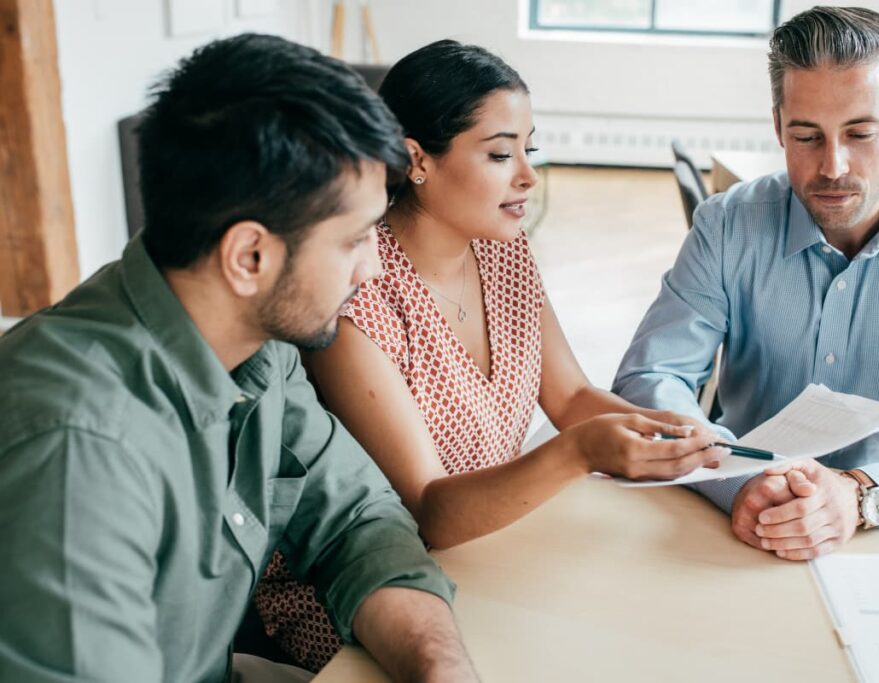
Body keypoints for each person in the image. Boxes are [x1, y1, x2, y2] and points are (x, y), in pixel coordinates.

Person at [0, 33, 478, 682]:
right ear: (249, 256)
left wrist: (438, 666)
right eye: (355, 239)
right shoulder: (78, 450)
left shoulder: (259, 345)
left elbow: (356, 516)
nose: (373, 267)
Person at [253, 39, 728, 670]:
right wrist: (583, 450)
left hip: (494, 550)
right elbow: (432, 513)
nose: (528, 174)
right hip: (365, 595)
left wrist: (678, 435)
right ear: (417, 159)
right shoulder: (356, 295)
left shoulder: (504, 251)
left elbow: (571, 397)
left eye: (528, 148)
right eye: (501, 153)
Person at [614, 6, 879, 561]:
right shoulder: (727, 225)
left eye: (860, 133)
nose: (833, 166)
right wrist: (736, 480)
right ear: (778, 125)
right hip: (736, 520)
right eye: (807, 136)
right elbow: (648, 378)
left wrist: (862, 495)